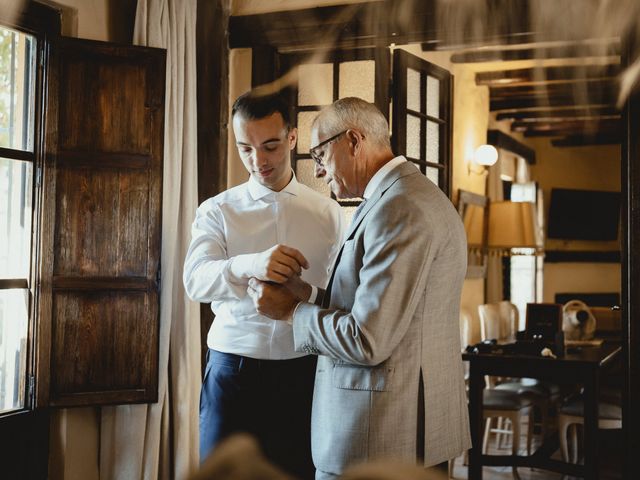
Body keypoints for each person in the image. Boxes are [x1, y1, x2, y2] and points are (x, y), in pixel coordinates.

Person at [247, 97, 471, 479]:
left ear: (353, 140)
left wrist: (290, 311)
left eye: (320, 155)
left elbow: (368, 339)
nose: (318, 172)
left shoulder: (399, 208)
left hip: (378, 437)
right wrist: (307, 294)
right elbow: (387, 312)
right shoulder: (406, 197)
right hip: (402, 431)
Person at [183, 89, 344, 479]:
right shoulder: (217, 210)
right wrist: (252, 263)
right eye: (246, 149)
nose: (258, 161)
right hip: (232, 370)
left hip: (303, 370)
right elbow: (195, 280)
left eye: (270, 146)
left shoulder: (329, 213)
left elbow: (340, 295)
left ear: (291, 138)